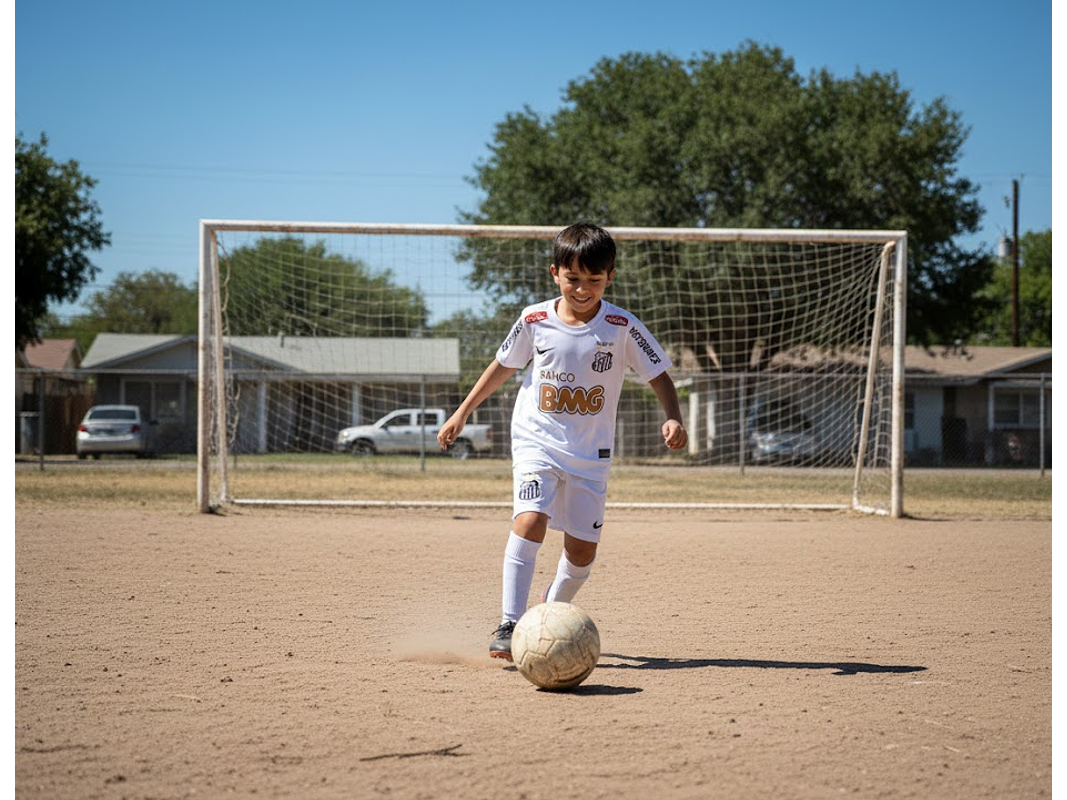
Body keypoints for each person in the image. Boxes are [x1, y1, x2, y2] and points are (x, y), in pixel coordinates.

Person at [436, 221, 688, 660]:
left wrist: (673, 417)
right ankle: (510, 622)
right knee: (530, 520)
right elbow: (502, 366)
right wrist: (462, 412)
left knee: (582, 551)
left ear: (610, 276)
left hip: (591, 454)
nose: (583, 288)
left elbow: (658, 374)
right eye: (574, 279)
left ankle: (548, 615)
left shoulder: (621, 326)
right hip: (537, 440)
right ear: (555, 273)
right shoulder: (534, 320)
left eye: (594, 279)